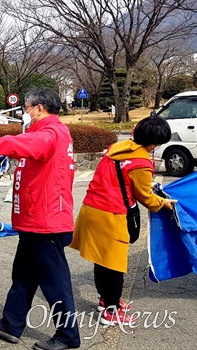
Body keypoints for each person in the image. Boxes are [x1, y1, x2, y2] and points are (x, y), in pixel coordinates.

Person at [0, 87, 80, 350]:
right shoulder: (44, 132)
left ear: (39, 108)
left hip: (46, 221)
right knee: (23, 275)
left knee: (56, 283)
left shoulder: (51, 133)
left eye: (27, 107)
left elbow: (27, 144)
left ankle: (68, 336)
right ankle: (11, 324)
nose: (25, 112)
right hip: (35, 219)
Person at [70, 116, 176, 326]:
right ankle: (111, 311)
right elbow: (145, 196)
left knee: (101, 262)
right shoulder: (142, 162)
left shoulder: (116, 148)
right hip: (112, 214)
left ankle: (106, 300)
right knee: (115, 267)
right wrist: (163, 203)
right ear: (153, 142)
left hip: (91, 209)